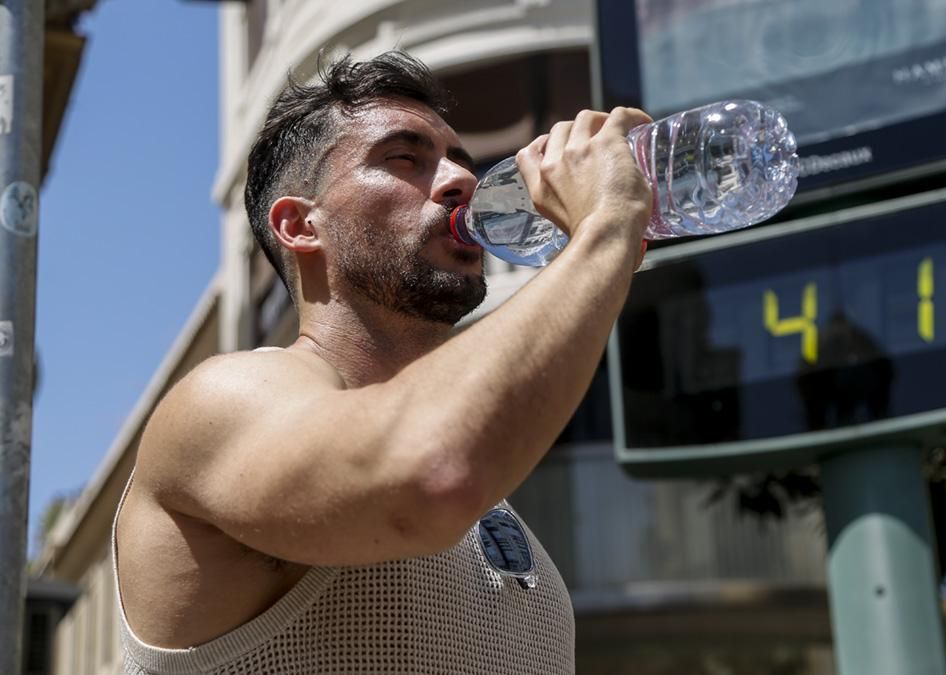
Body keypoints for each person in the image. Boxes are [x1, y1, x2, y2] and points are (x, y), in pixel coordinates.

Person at [111, 49, 652, 674]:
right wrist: (604, 228)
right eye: (403, 159)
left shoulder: (497, 509)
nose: (461, 181)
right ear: (300, 225)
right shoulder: (224, 400)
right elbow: (432, 476)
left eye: (460, 161)